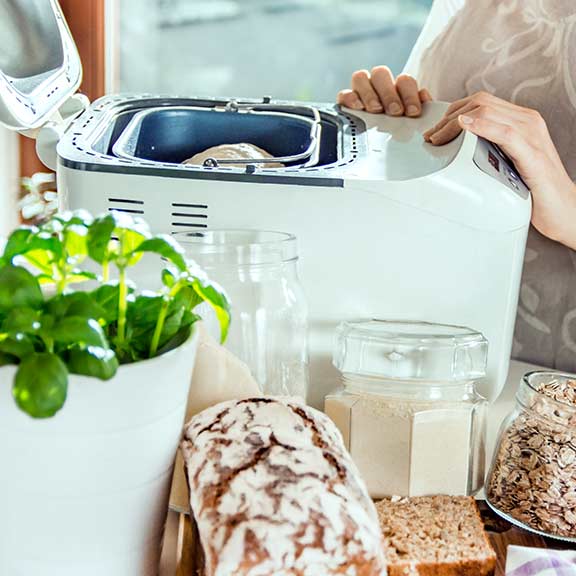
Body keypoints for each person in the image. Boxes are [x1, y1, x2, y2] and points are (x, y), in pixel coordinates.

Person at [337, 0, 576, 372]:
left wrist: (569, 211)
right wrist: (385, 125)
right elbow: (423, 162)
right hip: (428, 359)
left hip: (553, 394)